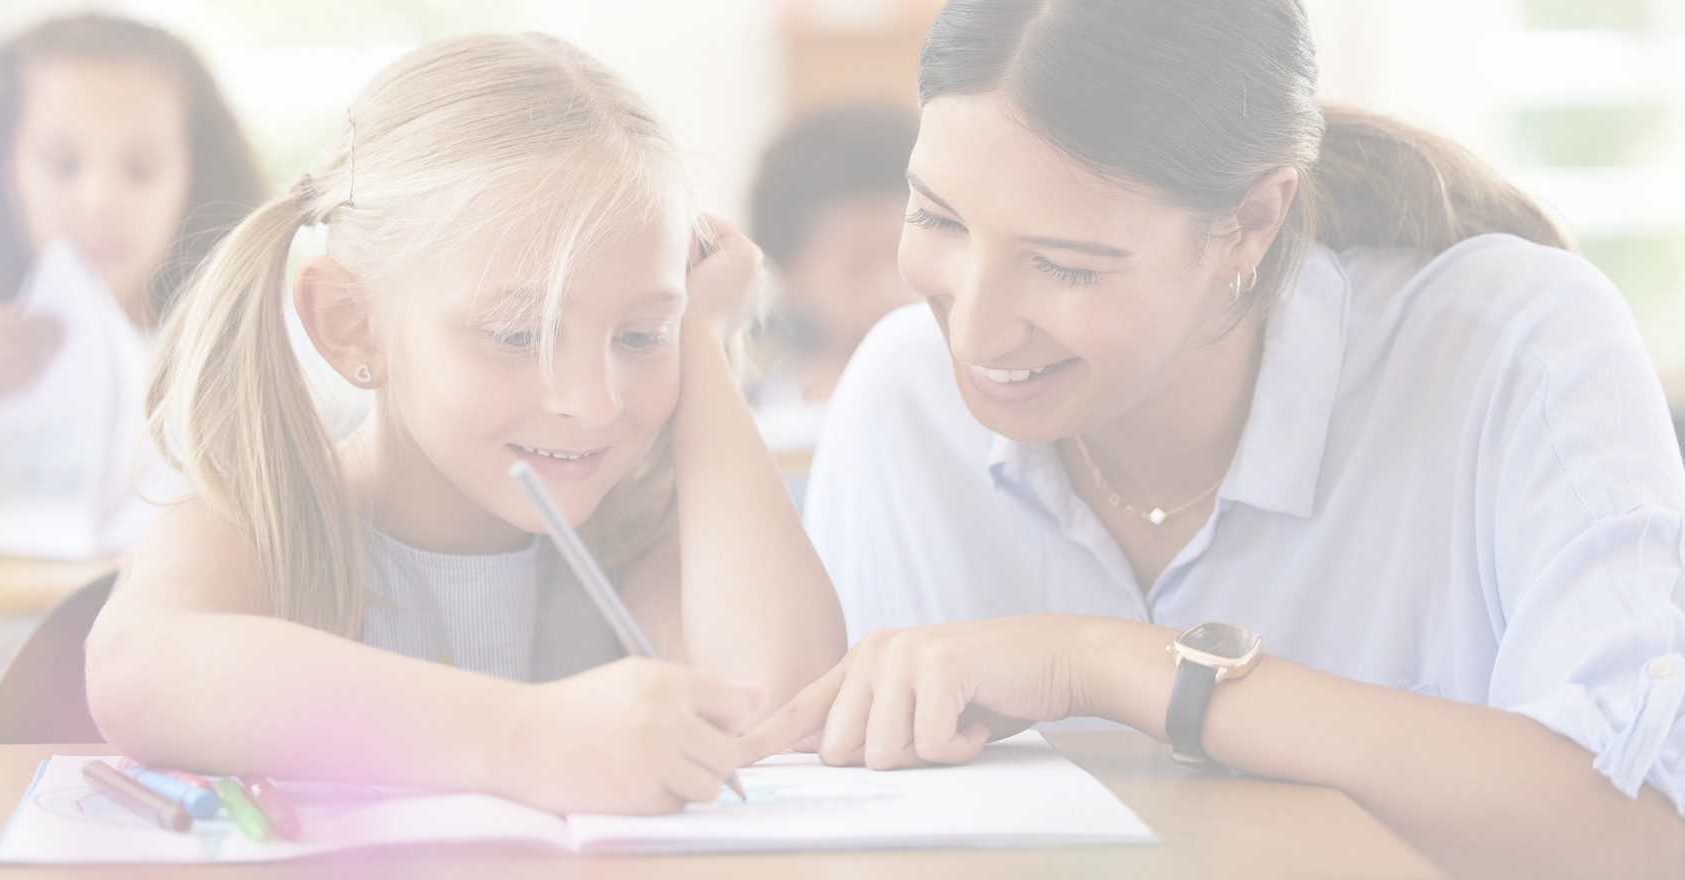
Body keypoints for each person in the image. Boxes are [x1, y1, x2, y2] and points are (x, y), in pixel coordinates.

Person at [740, 1, 1685, 875]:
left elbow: (1645, 829)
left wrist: (1102, 664)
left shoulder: (1513, 347)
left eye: (1064, 267)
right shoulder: (905, 401)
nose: (976, 334)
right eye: (938, 217)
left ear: (1249, 222)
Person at [85, 33, 845, 816]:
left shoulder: (636, 535)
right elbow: (135, 674)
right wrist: (521, 737)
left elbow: (781, 702)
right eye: (517, 335)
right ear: (353, 327)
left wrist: (703, 340)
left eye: (640, 336)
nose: (593, 403)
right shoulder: (260, 522)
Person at [0, 13, 262, 478]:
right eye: (62, 165)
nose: (99, 202)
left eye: (141, 169)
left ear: (197, 178)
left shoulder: (251, 360)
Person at [746, 104, 920, 451]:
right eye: (856, 267)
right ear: (791, 275)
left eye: (904, 259)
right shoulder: (755, 421)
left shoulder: (965, 406)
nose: (889, 292)